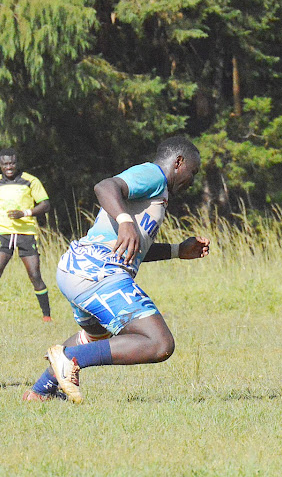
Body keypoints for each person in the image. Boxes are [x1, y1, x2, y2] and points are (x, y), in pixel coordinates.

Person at [22, 136, 210, 403]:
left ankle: (42, 392)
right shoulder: (154, 175)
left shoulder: (158, 195)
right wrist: (124, 220)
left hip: (79, 269)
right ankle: (69, 360)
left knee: (94, 335)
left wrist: (179, 250)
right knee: (160, 344)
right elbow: (105, 186)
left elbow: (131, 247)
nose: (192, 180)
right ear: (178, 162)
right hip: (98, 271)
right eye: (193, 171)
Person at [0, 148, 52, 322]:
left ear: (17, 163)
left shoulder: (30, 181)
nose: (9, 167)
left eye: (12, 163)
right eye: (5, 164)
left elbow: (45, 204)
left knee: (34, 275)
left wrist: (25, 213)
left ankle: (47, 316)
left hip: (26, 234)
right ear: (0, 165)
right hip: (3, 234)